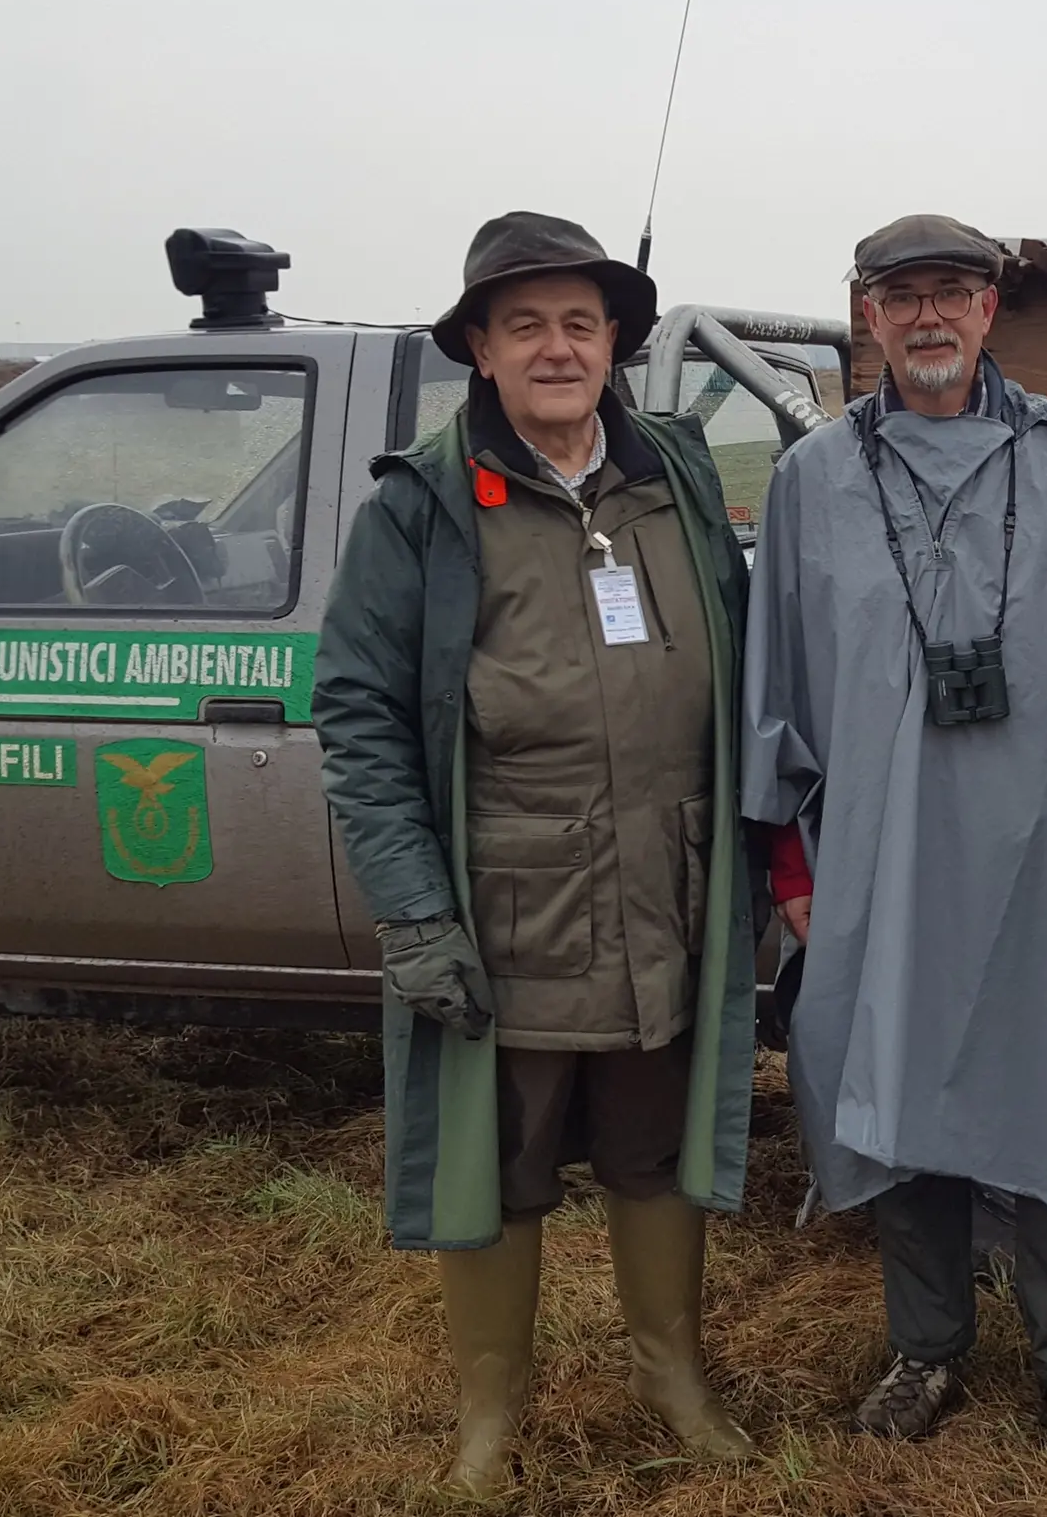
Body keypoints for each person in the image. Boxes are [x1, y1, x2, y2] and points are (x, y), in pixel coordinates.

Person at [315, 212, 762, 1494]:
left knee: (654, 1145)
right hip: (505, 906)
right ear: (479, 349)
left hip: (668, 894)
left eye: (579, 322)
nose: (557, 348)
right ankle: (488, 1420)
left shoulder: (670, 476)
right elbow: (356, 709)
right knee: (497, 1167)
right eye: (525, 326)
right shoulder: (425, 505)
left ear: (615, 339)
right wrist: (412, 912)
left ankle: (671, 1379)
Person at [742, 213, 1047, 1461]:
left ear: (990, 310)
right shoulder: (811, 480)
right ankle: (926, 1347)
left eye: (953, 293)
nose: (929, 317)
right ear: (866, 316)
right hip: (880, 866)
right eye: (902, 297)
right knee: (898, 1093)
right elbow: (775, 691)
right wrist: (790, 869)